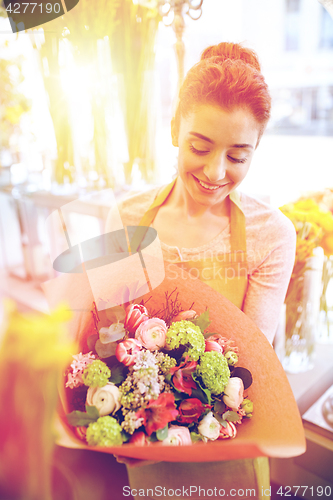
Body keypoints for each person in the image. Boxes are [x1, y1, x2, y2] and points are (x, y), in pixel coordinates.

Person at [106, 42, 296, 500]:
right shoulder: (128, 218)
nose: (214, 172)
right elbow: (111, 332)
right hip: (146, 433)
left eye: (237, 156)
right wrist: (116, 416)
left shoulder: (272, 234)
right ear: (175, 128)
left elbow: (252, 362)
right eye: (200, 146)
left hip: (229, 434)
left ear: (256, 148)